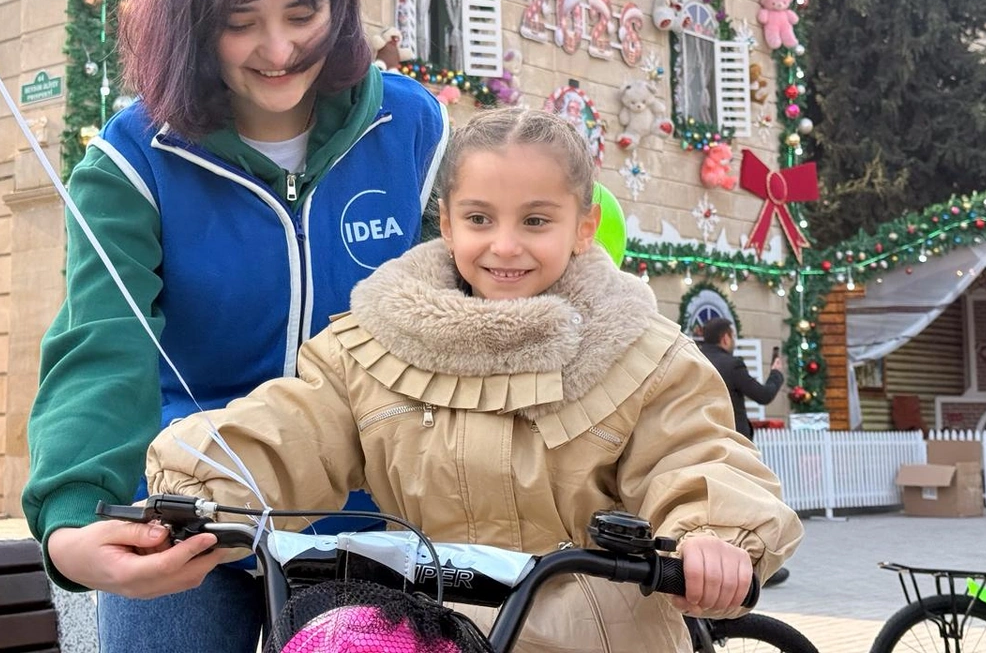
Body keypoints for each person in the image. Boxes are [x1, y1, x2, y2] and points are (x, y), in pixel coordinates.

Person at [146, 108, 803, 653]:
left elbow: (695, 451)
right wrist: (198, 483)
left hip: (597, 636)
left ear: (583, 227)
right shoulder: (378, 343)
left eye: (536, 221)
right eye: (480, 219)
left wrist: (714, 534)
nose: (505, 246)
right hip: (432, 633)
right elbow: (296, 426)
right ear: (448, 222)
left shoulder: (639, 353)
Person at [21, 0, 449, 653]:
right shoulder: (131, 162)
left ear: (338, 4)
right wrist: (74, 523)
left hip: (371, 520)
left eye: (302, 12)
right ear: (191, 21)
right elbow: (101, 344)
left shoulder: (414, 129)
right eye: (240, 20)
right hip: (187, 511)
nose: (279, 49)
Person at [697, 318, 790, 586]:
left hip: (701, 441)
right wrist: (776, 374)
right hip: (734, 443)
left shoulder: (694, 359)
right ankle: (756, 569)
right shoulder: (732, 364)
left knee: (713, 507)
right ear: (726, 337)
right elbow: (762, 395)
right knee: (748, 506)